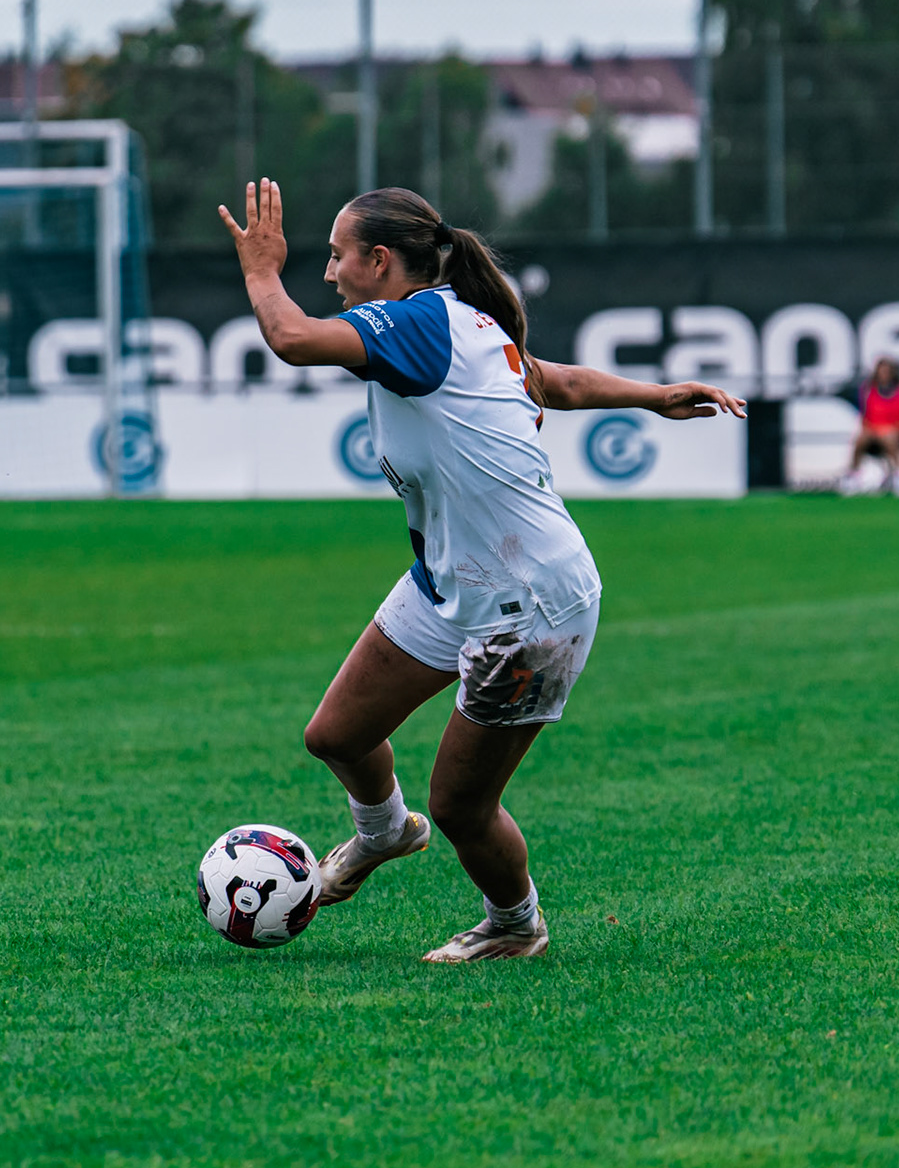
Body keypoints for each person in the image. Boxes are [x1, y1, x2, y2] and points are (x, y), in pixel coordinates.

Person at [219, 180, 745, 962]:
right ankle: (385, 834)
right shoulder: (461, 324)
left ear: (380, 260)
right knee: (337, 735)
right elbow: (553, 381)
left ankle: (515, 923)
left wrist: (263, 271)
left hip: (531, 607)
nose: (327, 272)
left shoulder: (423, 321)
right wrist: (656, 394)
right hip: (452, 581)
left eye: (336, 257)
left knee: (463, 807)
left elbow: (292, 338)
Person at [839, 357, 899, 497]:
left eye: (887, 371)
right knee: (861, 438)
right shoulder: (867, 390)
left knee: (888, 435)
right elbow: (864, 418)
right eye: (881, 371)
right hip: (873, 433)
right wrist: (875, 429)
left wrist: (889, 429)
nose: (884, 374)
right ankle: (853, 475)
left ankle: (898, 476)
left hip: (896, 434)